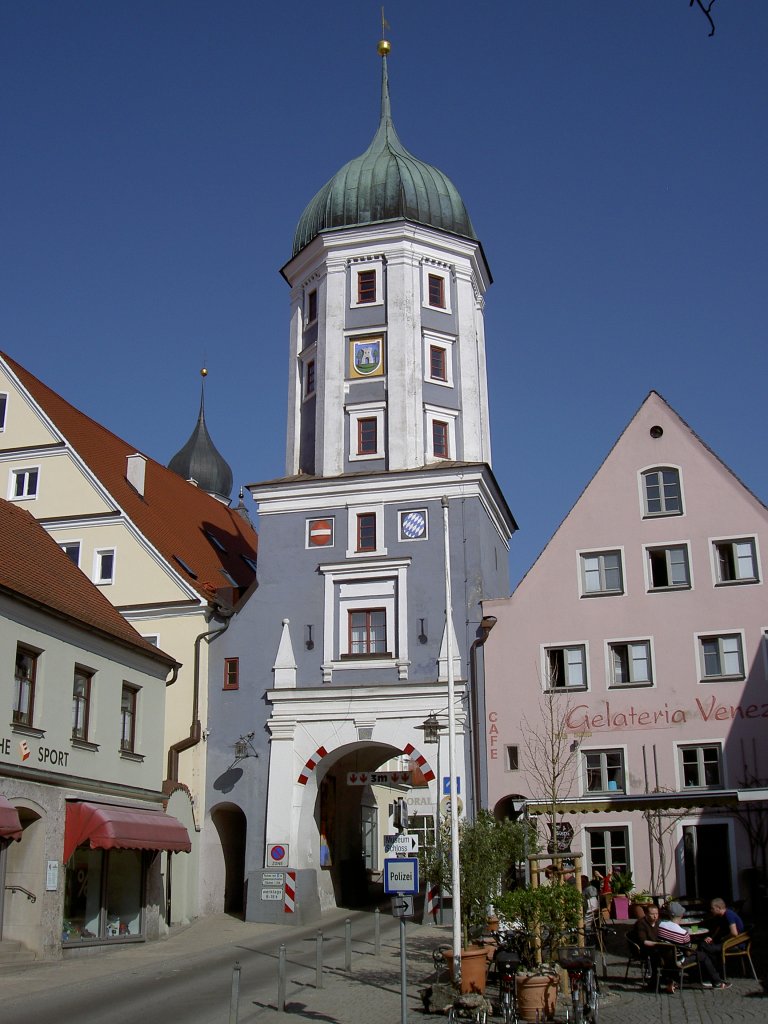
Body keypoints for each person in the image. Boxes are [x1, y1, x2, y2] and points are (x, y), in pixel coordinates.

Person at [629, 904, 679, 993]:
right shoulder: (641, 924)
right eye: (652, 914)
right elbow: (643, 941)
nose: (655, 916)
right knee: (657, 957)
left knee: (671, 953)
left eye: (656, 913)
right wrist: (656, 944)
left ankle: (670, 979)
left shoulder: (659, 922)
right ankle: (655, 982)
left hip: (657, 947)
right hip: (643, 949)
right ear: (647, 914)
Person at [693, 897, 740, 989]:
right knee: (703, 945)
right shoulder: (721, 916)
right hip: (726, 942)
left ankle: (713, 976)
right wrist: (711, 937)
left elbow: (734, 933)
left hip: (733, 943)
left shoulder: (729, 915)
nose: (711, 910)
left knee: (704, 947)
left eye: (712, 908)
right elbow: (718, 929)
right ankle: (711, 974)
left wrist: (723, 939)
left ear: (718, 908)